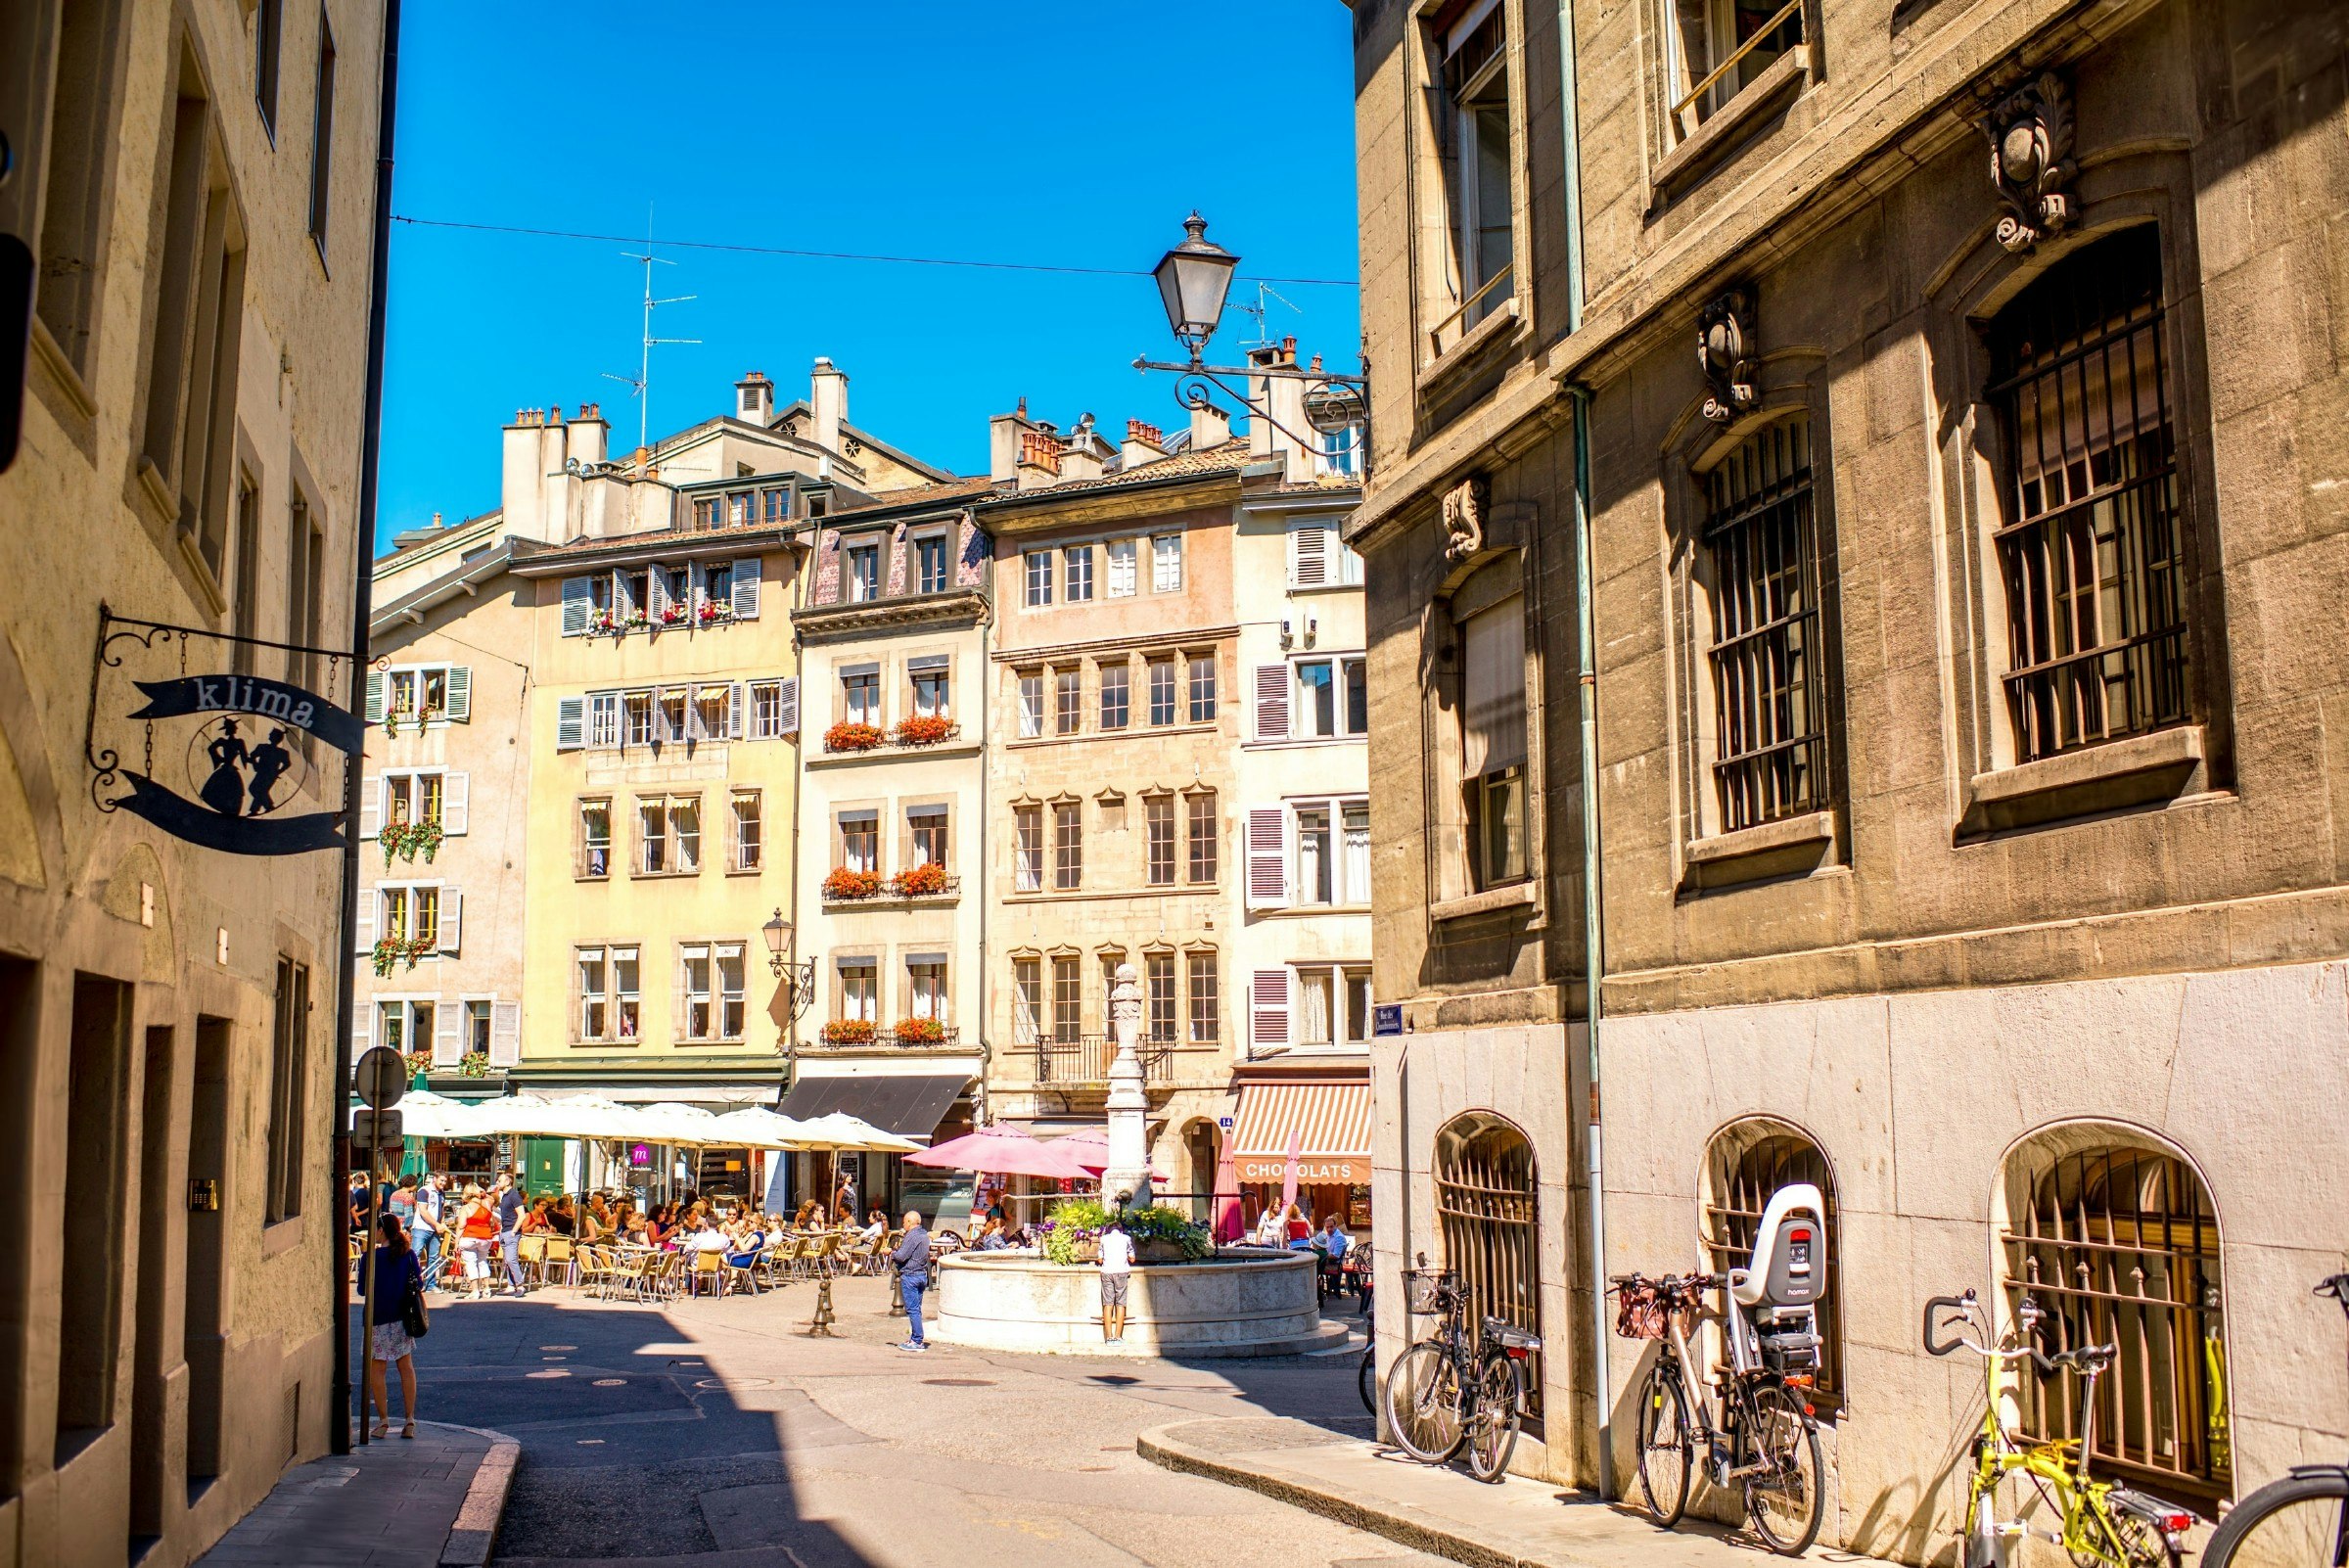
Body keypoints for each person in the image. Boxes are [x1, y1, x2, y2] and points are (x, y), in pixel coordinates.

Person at [365, 1214, 424, 1440]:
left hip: (377, 1316)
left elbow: (362, 1289)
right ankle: (409, 1420)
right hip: (402, 1317)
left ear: (381, 1231)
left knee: (377, 1370)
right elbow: (418, 1283)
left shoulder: (371, 1256)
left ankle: (383, 1421)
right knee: (406, 1367)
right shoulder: (407, 1254)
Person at [890, 1211, 932, 1352]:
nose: (903, 1225)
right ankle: (914, 1337)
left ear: (909, 1222)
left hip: (911, 1275)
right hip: (921, 1275)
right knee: (917, 1309)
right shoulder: (924, 1235)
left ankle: (918, 1340)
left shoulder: (912, 1236)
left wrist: (891, 1253)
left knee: (912, 1309)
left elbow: (901, 1256)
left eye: (904, 1222)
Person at [456, 1184, 498, 1297]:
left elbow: (461, 1226)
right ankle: (487, 1289)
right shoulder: (487, 1203)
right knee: (482, 1261)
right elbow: (493, 1199)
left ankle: (475, 1290)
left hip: (470, 1237)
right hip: (486, 1238)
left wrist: (456, 1242)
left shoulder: (466, 1207)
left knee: (471, 1263)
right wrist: (484, 1193)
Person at [1098, 1217, 1134, 1344]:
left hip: (1107, 1272)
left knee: (1108, 1304)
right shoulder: (1126, 1239)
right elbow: (1132, 1258)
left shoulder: (1103, 1239)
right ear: (1121, 1230)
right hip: (1121, 1272)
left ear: (1109, 1230)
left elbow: (1100, 1260)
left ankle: (1109, 1337)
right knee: (1120, 1303)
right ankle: (1118, 1337)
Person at [494, 1177, 529, 1295]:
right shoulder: (505, 1196)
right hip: (505, 1230)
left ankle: (520, 1285)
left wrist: (514, 1231)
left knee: (511, 1259)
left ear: (508, 1182)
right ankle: (510, 1285)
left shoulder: (514, 1196)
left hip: (511, 1231)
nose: (497, 1182)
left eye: (499, 1180)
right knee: (507, 1260)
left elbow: (522, 1215)